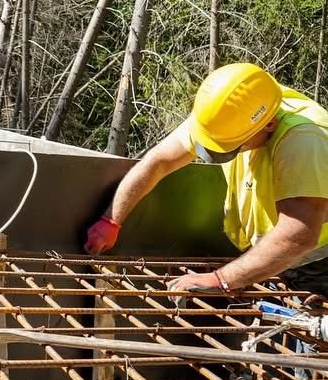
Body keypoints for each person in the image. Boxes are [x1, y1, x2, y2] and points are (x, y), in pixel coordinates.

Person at [84, 63, 328, 300]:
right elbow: (159, 162)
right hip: (278, 256)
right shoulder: (227, 114)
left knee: (313, 334)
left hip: (319, 266)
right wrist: (112, 220)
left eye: (231, 147)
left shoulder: (304, 141)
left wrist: (221, 279)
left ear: (269, 125)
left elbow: (298, 235)